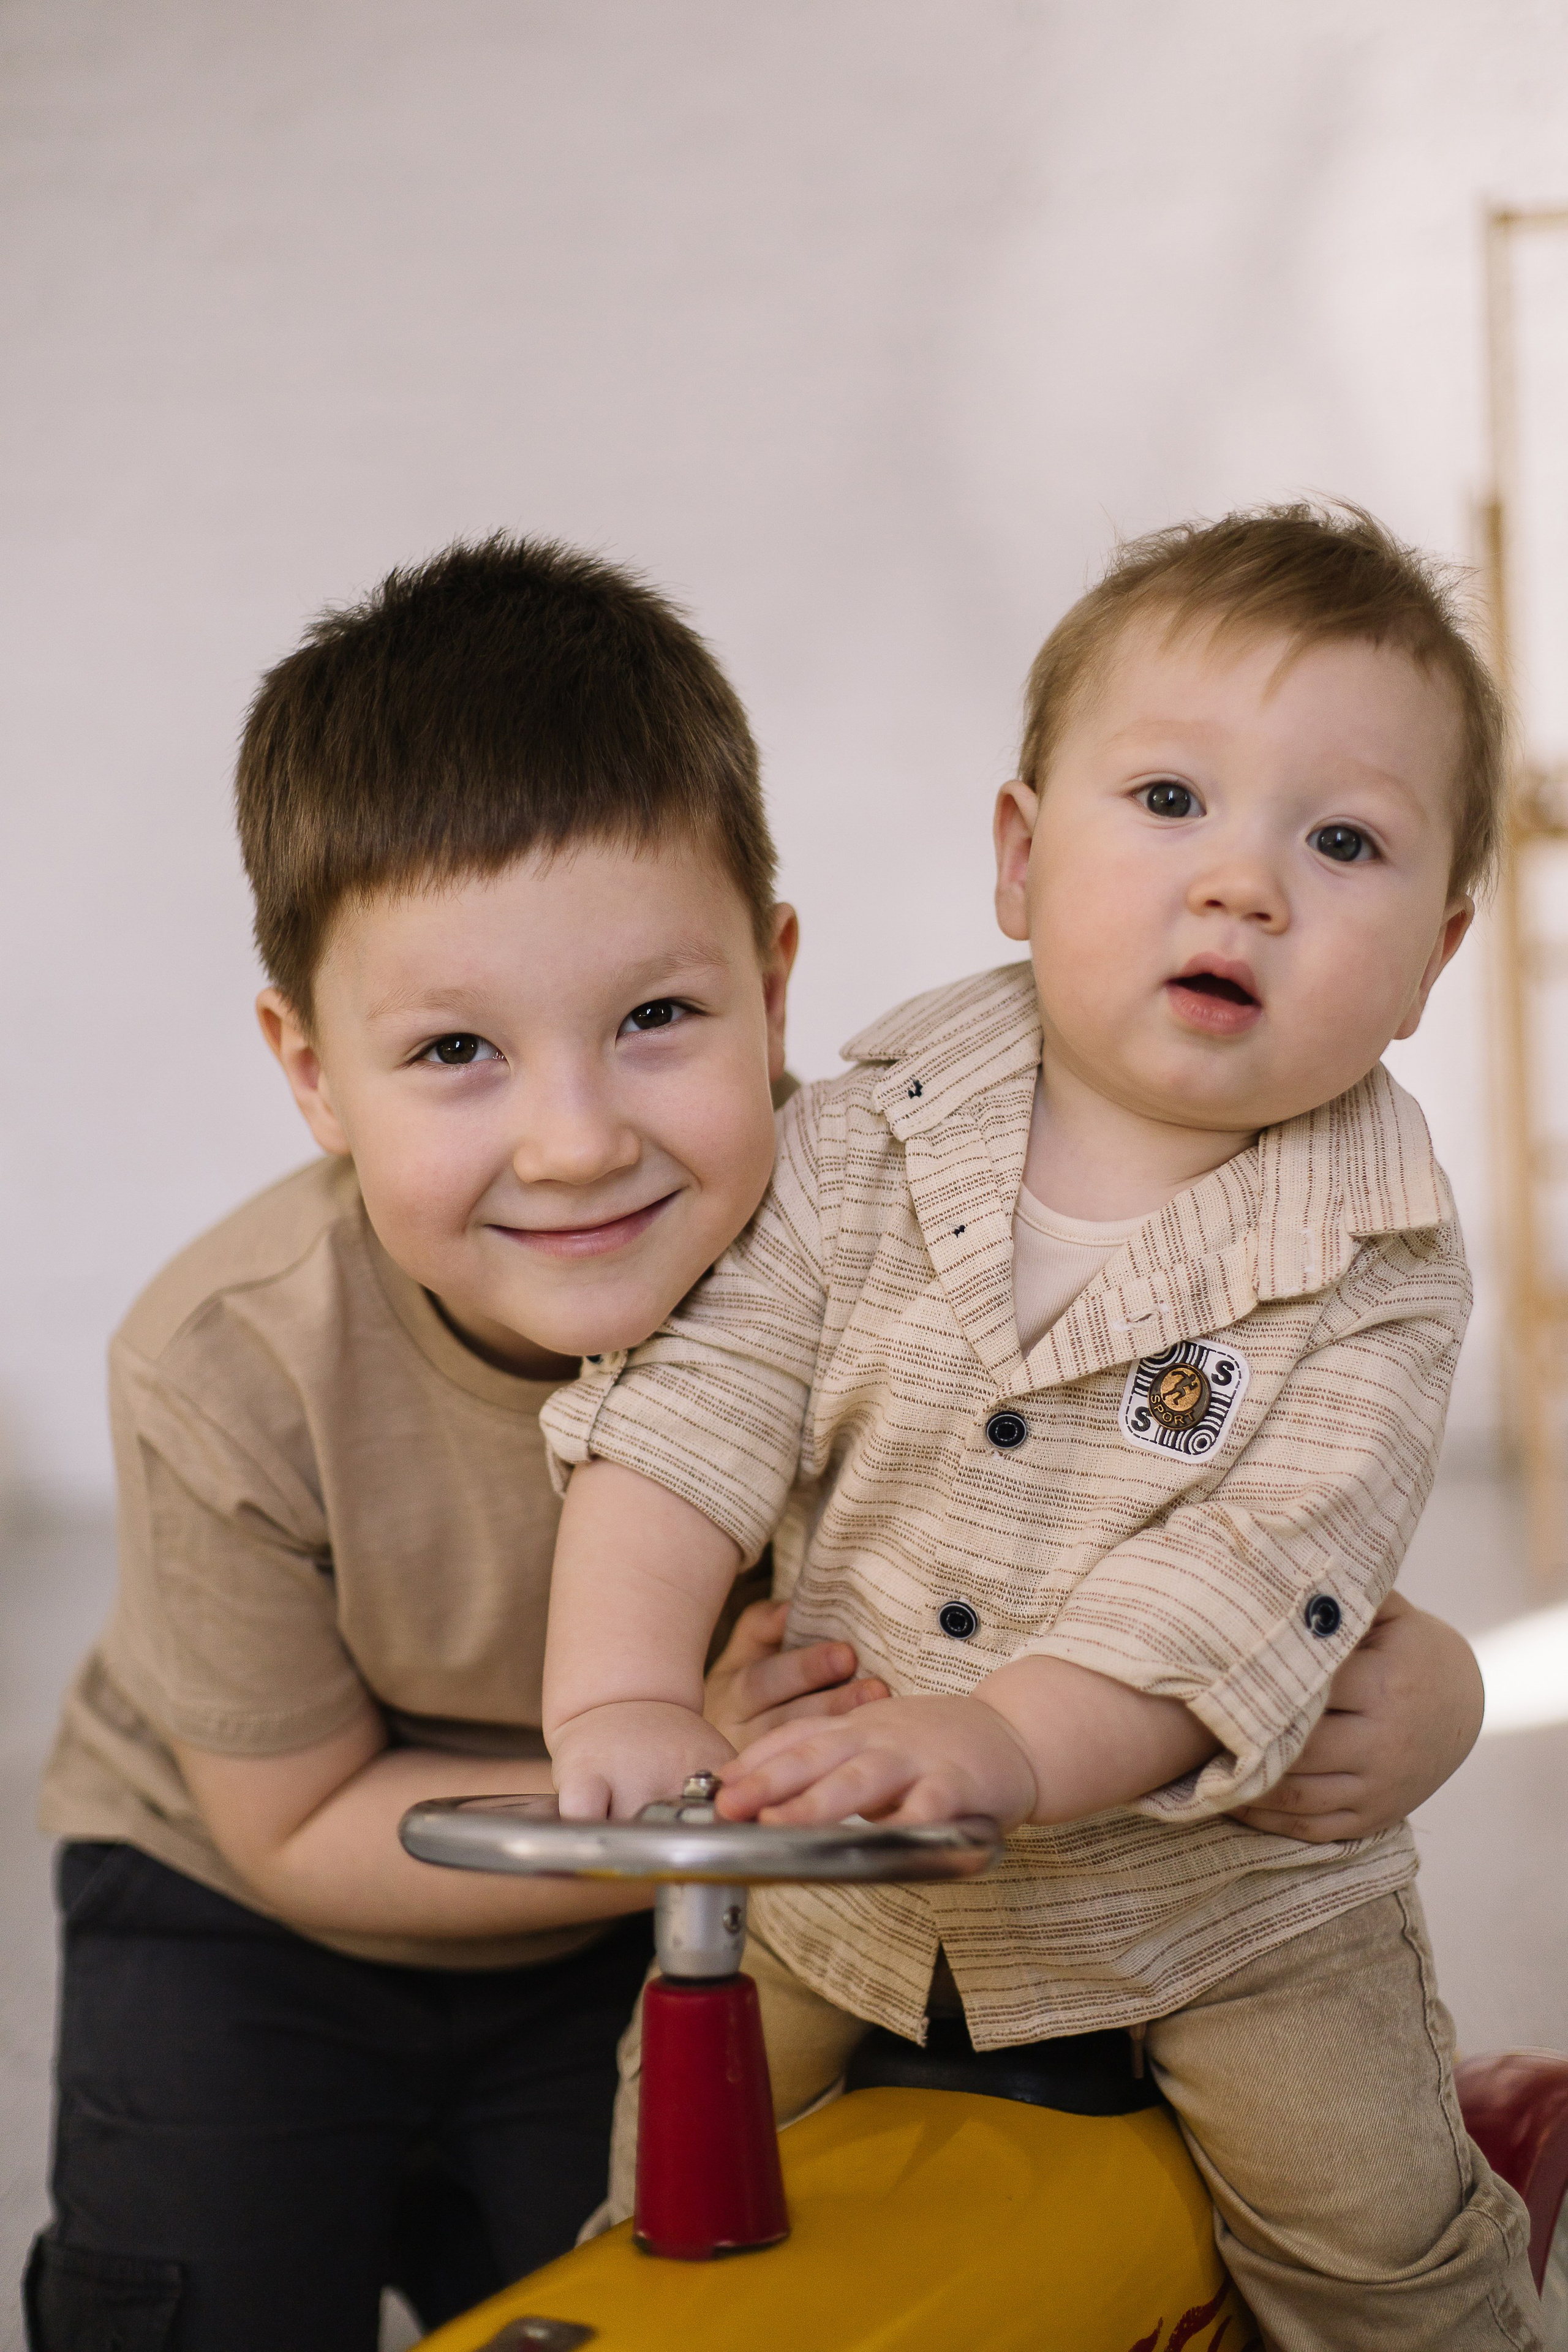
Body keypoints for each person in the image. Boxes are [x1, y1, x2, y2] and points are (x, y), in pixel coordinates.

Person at [540, 504, 1542, 2350]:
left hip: (1224, 1900)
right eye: (1169, 801)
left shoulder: (1380, 1264)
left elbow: (1256, 1579)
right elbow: (698, 1402)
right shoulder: (856, 1136)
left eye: (1343, 843)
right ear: (1019, 856)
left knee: (1365, 2234)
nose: (1243, 885)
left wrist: (1002, 1738)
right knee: (672, 2176)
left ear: (1434, 957)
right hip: (827, 1857)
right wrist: (620, 1695)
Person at [26, 537, 886, 2352]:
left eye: (657, 1019)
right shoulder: (224, 1362)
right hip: (247, 1897)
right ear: (311, 1068)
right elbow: (290, 1827)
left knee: (661, 2299)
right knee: (198, 2305)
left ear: (775, 982)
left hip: (635, 1900)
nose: (575, 1143)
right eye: (456, 1052)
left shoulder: (898, 1256)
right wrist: (678, 1790)